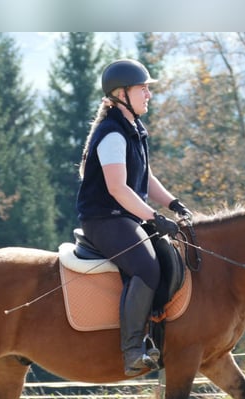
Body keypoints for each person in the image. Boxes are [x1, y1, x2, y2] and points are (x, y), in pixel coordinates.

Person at [76, 58, 193, 376]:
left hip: (126, 217)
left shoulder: (133, 130)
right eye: (143, 89)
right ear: (122, 94)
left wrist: (174, 204)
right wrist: (155, 218)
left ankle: (156, 335)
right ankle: (131, 352)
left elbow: (145, 179)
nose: (149, 95)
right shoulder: (113, 134)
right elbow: (118, 189)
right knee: (146, 267)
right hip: (105, 219)